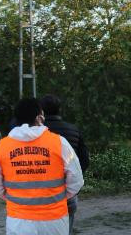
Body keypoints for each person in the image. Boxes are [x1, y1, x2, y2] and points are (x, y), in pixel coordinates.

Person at [0, 98, 84, 235]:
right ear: (40, 117)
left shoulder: (0, 147)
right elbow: (77, 181)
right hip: (54, 220)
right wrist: (59, 197)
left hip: (19, 221)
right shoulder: (59, 143)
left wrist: (14, 198)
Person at [41, 94, 89, 233]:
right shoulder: (73, 129)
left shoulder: (35, 132)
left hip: (41, 190)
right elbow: (84, 160)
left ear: (41, 111)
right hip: (66, 189)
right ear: (60, 109)